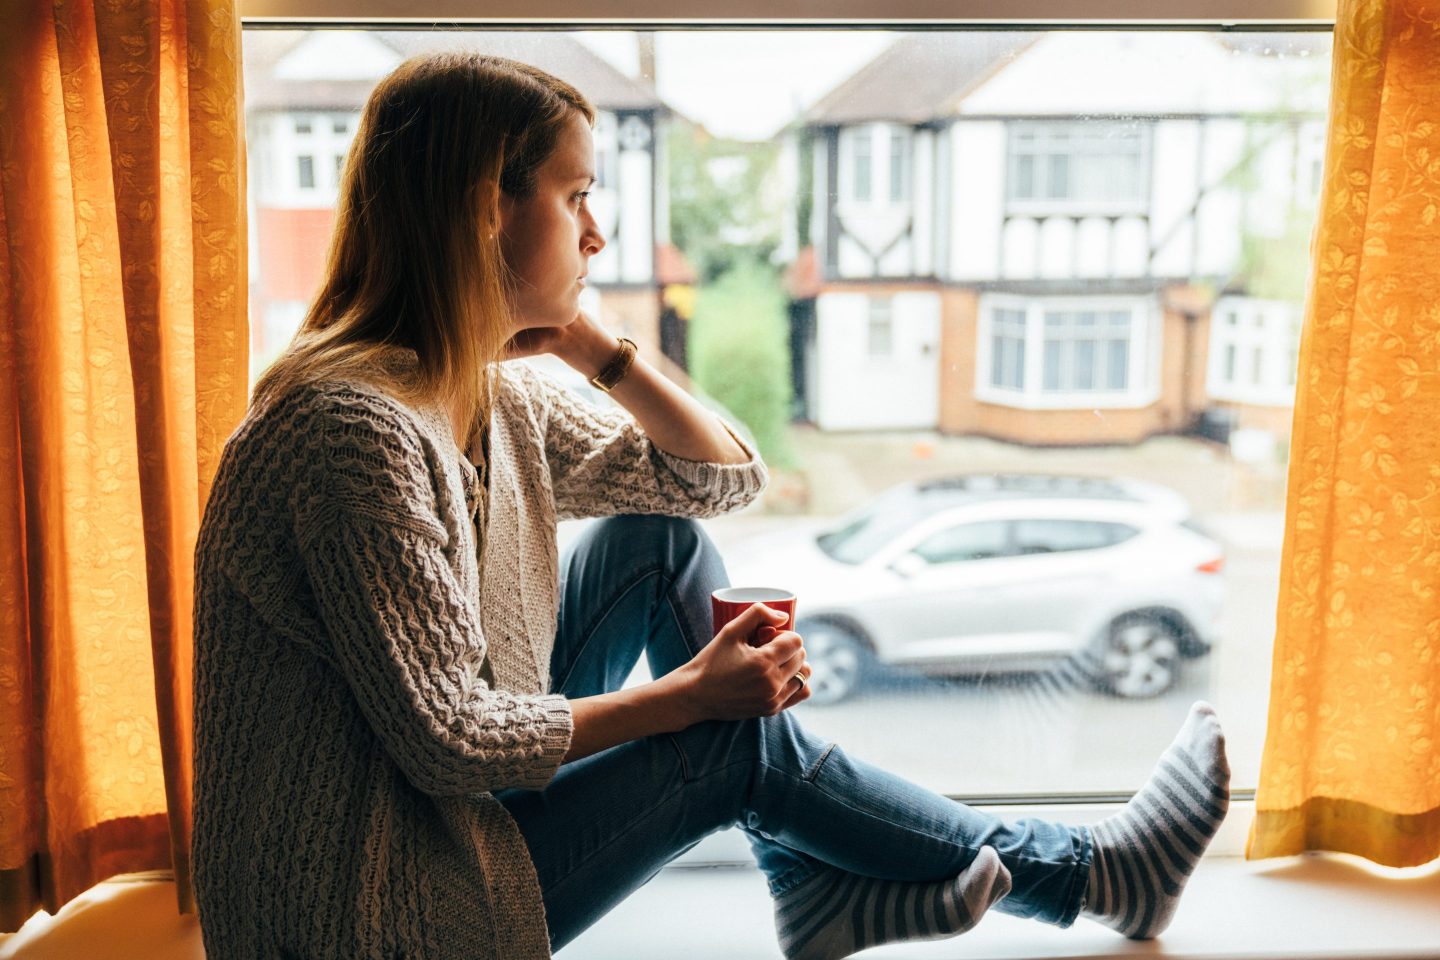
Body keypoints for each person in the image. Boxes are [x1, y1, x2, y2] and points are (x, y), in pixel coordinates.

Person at [191, 51, 1231, 960]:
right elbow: (451, 740)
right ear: (483, 210)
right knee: (728, 739)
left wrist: (601, 349)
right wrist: (693, 698)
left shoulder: (486, 393)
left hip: (449, 821)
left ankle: (804, 873)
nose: (595, 234)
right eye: (575, 196)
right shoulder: (350, 430)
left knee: (658, 545)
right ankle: (1085, 877)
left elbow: (722, 479)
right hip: (379, 911)